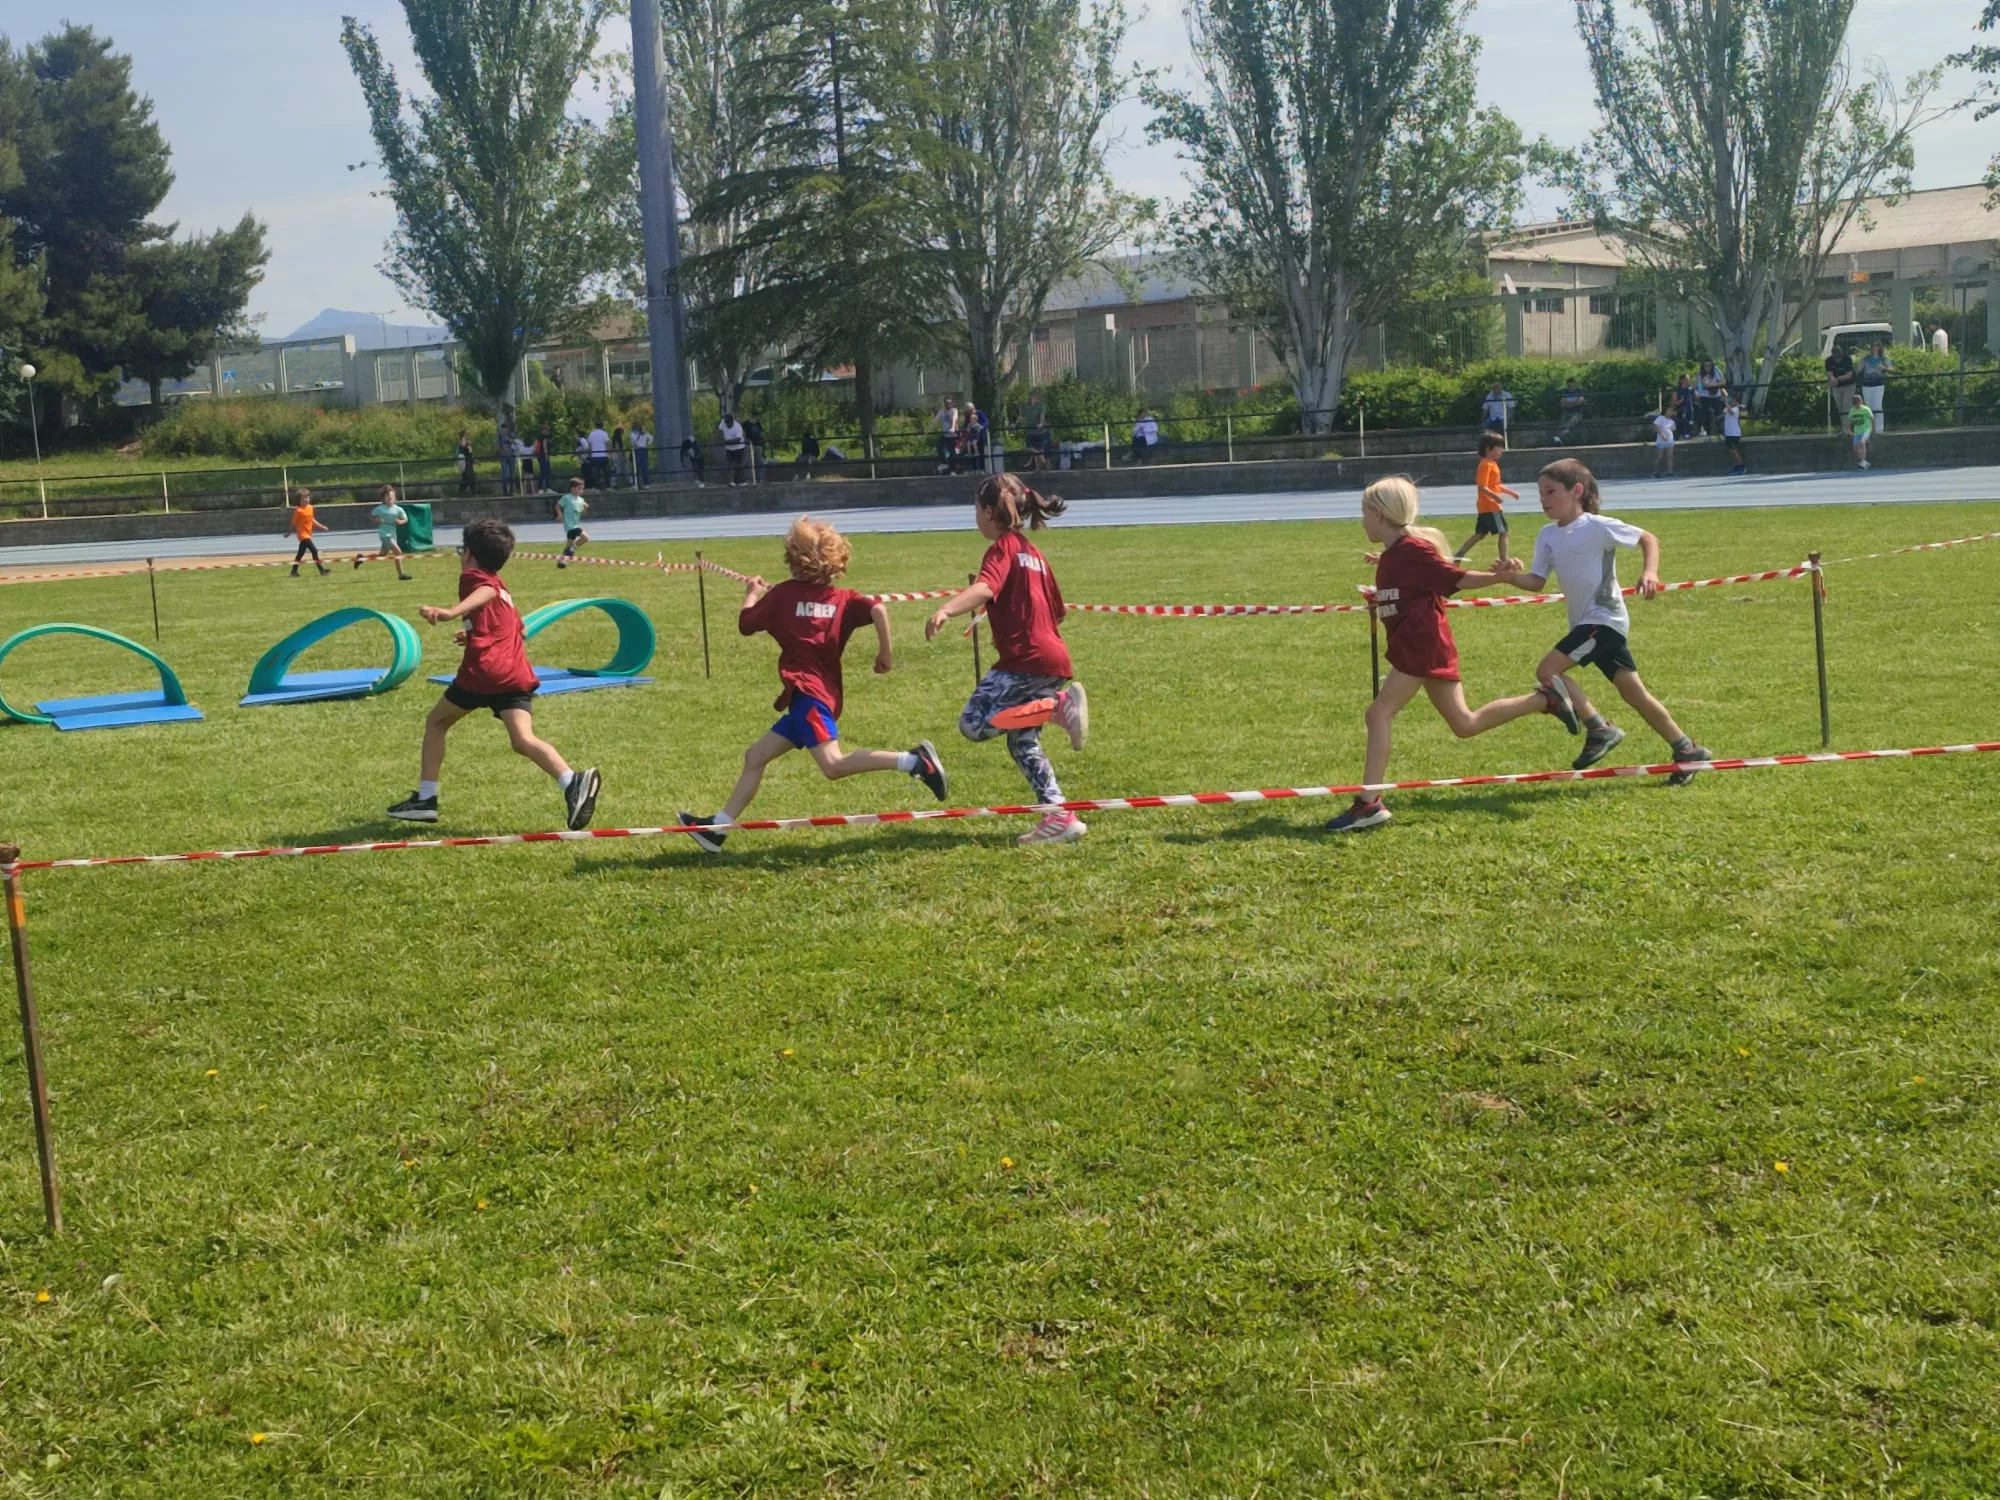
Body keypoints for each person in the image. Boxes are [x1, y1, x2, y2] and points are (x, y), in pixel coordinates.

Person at [677, 517, 949, 852]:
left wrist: (751, 593)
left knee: (832, 765)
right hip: (816, 697)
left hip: (809, 696)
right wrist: (885, 656)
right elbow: (879, 609)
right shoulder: (843, 598)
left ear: (793, 558)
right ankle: (717, 829)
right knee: (755, 757)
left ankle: (914, 761)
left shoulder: (782, 596)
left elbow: (746, 624)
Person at [1324, 477, 1578, 834]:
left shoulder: (1414, 549)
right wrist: (1380, 598)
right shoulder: (1397, 553)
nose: (1361, 520)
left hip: (1421, 645)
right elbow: (1411, 586)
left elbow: (1454, 579)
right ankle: (1544, 700)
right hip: (1422, 645)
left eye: (1364, 512)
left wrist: (1500, 579)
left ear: (1379, 514)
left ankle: (1369, 804)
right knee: (1464, 724)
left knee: (1378, 713)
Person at [1495, 458, 1713, 783]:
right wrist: (1509, 578)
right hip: (1586, 625)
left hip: (1604, 620)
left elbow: (1648, 538)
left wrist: (1650, 572)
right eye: (1540, 492)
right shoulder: (1546, 535)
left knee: (1548, 671)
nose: (1544, 499)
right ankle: (1687, 749)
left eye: (1551, 491)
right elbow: (1536, 581)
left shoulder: (1597, 526)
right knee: (1634, 693)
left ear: (1577, 491)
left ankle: (1599, 727)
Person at [388, 517, 601, 830]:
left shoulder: (477, 579)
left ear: (470, 554)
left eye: (462, 550)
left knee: (436, 722)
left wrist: (450, 613)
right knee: (522, 739)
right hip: (515, 673)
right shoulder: (505, 591)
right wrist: (474, 634)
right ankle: (572, 781)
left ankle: (426, 799)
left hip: (487, 673)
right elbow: (518, 629)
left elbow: (484, 591)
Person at [925, 474, 1090, 846]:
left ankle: (1056, 707)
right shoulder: (1035, 554)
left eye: (976, 511)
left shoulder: (1004, 547)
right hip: (1053, 658)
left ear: (987, 511)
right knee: (1022, 743)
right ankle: (1058, 815)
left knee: (973, 723)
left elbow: (986, 586)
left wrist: (947, 610)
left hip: (1025, 660)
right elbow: (1057, 611)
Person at [1455, 433, 1517, 563]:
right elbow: (1482, 487)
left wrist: (1511, 492)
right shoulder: (1486, 465)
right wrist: (1495, 497)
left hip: (1486, 507)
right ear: (1488, 449)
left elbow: (1495, 485)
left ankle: (1459, 554)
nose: (1502, 451)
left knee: (1480, 534)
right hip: (1491, 507)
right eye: (1499, 447)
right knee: (1503, 532)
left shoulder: (1492, 464)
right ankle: (1504, 560)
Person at [356, 484, 412, 580]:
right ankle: (401, 574)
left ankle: (361, 558)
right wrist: (376, 520)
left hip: (393, 534)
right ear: (383, 498)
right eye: (387, 496)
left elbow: (405, 519)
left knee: (382, 555)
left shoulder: (398, 509)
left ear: (395, 497)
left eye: (392, 496)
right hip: (385, 534)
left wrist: (400, 521)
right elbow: (370, 516)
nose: (390, 498)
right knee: (398, 552)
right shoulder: (380, 509)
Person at [287, 487, 331, 577]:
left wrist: (322, 527)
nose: (306, 500)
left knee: (300, 554)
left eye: (307, 497)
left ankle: (293, 571)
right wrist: (288, 532)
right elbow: (293, 523)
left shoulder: (310, 508)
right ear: (299, 500)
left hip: (308, 534)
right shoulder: (298, 511)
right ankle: (322, 570)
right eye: (304, 498)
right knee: (314, 551)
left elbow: (312, 520)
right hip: (303, 535)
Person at [1857, 341, 1892, 433]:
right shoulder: (1866, 359)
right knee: (1868, 407)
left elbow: (1891, 368)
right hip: (1866, 384)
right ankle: (1869, 427)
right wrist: (1860, 363)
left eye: (1877, 347)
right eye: (1873, 347)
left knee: (1877, 406)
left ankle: (1879, 428)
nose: (1875, 349)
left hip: (1878, 384)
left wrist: (1884, 368)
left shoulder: (1883, 359)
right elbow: (1857, 369)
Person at [555, 477, 591, 568]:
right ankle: (572, 550)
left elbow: (583, 512)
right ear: (573, 488)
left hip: (575, 525)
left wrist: (586, 508)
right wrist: (559, 515)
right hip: (570, 525)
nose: (581, 490)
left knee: (568, 546)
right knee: (585, 537)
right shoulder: (567, 497)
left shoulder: (581, 500)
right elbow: (558, 506)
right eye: (580, 488)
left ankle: (562, 562)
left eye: (582, 488)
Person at [1824, 342, 1856, 415]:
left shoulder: (1847, 359)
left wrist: (1837, 379)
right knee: (1840, 407)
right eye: (1835, 358)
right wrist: (1831, 378)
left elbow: (1849, 375)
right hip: (1836, 387)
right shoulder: (1829, 361)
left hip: (1848, 386)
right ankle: (1843, 424)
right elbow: (1829, 372)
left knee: (1846, 406)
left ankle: (1847, 426)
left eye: (1838, 358)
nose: (1837, 360)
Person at [1696, 360, 1725, 436]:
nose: (1708, 368)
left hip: (1716, 396)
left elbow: (1723, 382)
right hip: (1705, 397)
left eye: (1709, 365)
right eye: (1706, 366)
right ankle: (1708, 432)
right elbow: (1699, 389)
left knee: (1719, 414)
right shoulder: (1700, 374)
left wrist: (1710, 385)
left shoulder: (1716, 371)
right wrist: (1703, 381)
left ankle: (1720, 431)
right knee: (1706, 416)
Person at [1846, 391, 1874, 469]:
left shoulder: (1866, 409)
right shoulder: (1852, 410)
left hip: (1866, 429)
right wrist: (1848, 429)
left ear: (1861, 402)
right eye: (1855, 403)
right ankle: (1864, 461)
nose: (1857, 405)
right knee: (1855, 448)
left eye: (1858, 403)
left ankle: (1863, 461)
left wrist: (1873, 429)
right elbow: (1850, 421)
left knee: (1862, 443)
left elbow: (1872, 418)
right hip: (1857, 431)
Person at [719, 412, 748, 486]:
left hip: (738, 448)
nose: (728, 425)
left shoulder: (738, 427)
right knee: (731, 464)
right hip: (729, 448)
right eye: (727, 423)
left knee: (739, 464)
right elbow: (719, 430)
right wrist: (722, 437)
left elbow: (737, 439)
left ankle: (742, 481)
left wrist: (726, 441)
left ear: (732, 422)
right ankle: (731, 481)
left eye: (729, 424)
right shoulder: (723, 423)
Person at [1555, 378, 1587, 442]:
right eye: (1569, 386)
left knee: (1573, 420)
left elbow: (1580, 401)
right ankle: (1557, 439)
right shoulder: (1565, 391)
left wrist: (1568, 403)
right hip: (1566, 412)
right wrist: (1574, 403)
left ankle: (1565, 431)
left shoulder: (1579, 391)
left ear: (1575, 385)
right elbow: (1562, 403)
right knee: (1562, 422)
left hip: (1577, 412)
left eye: (1573, 386)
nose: (1571, 388)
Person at [1721, 392, 1746, 474]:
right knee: (1731, 452)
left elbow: (1731, 412)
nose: (1732, 402)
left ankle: (1742, 466)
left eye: (1734, 401)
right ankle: (1736, 467)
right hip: (1728, 433)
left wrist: (1725, 402)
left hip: (1734, 433)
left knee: (1734, 451)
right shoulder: (1727, 408)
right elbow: (1724, 412)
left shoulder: (1736, 409)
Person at [936, 397, 962, 472]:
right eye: (946, 403)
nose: (948, 405)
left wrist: (953, 428)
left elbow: (954, 419)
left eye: (950, 403)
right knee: (939, 446)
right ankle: (944, 463)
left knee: (951, 450)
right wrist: (928, 429)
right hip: (945, 434)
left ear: (952, 404)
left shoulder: (954, 410)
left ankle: (955, 467)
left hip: (953, 435)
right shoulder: (942, 411)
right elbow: (936, 420)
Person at [497, 411, 520, 496]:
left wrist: (512, 441)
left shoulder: (512, 435)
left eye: (506, 428)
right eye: (504, 429)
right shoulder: (499, 436)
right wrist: (502, 451)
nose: (505, 430)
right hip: (503, 457)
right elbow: (498, 448)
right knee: (505, 475)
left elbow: (518, 444)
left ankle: (511, 491)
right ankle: (505, 492)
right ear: (502, 429)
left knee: (512, 475)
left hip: (512, 456)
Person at [1651, 406, 1676, 477]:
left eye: (1672, 411)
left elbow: (1673, 429)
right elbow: (1656, 426)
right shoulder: (1660, 418)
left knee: (1670, 456)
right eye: (1669, 410)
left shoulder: (1672, 421)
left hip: (1670, 441)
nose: (1670, 412)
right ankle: (1656, 472)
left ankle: (1670, 472)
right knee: (1659, 457)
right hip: (1661, 441)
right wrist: (1662, 435)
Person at [586, 422, 611, 490]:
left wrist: (590, 454)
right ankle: (607, 486)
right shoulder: (604, 433)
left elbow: (589, 445)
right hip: (603, 455)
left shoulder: (591, 433)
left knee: (596, 472)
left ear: (595, 426)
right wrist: (609, 453)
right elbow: (607, 444)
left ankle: (596, 487)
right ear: (602, 426)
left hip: (594, 456)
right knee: (606, 472)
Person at [742, 415, 765, 484]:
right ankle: (750, 479)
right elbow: (742, 431)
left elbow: (761, 433)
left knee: (760, 462)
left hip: (758, 445)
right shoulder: (746, 423)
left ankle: (760, 479)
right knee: (750, 463)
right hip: (749, 445)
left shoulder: (758, 424)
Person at [455, 430, 477, 496]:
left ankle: (461, 493)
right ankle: (472, 493)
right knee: (470, 478)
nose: (467, 436)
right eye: (466, 435)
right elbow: (457, 454)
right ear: (463, 436)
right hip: (464, 463)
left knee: (466, 478)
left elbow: (470, 454)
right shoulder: (460, 445)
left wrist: (474, 460)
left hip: (469, 463)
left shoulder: (468, 444)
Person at [631, 423, 652, 487]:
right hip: (644, 450)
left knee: (637, 467)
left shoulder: (633, 434)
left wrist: (646, 444)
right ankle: (646, 483)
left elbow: (633, 442)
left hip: (638, 450)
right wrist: (647, 444)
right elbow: (651, 438)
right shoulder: (644, 433)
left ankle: (637, 483)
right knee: (644, 467)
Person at [534, 429, 554, 493]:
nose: (548, 431)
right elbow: (545, 447)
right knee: (546, 472)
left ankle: (541, 488)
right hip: (544, 457)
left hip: (540, 457)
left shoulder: (539, 438)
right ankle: (547, 488)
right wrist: (547, 457)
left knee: (543, 472)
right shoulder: (544, 438)